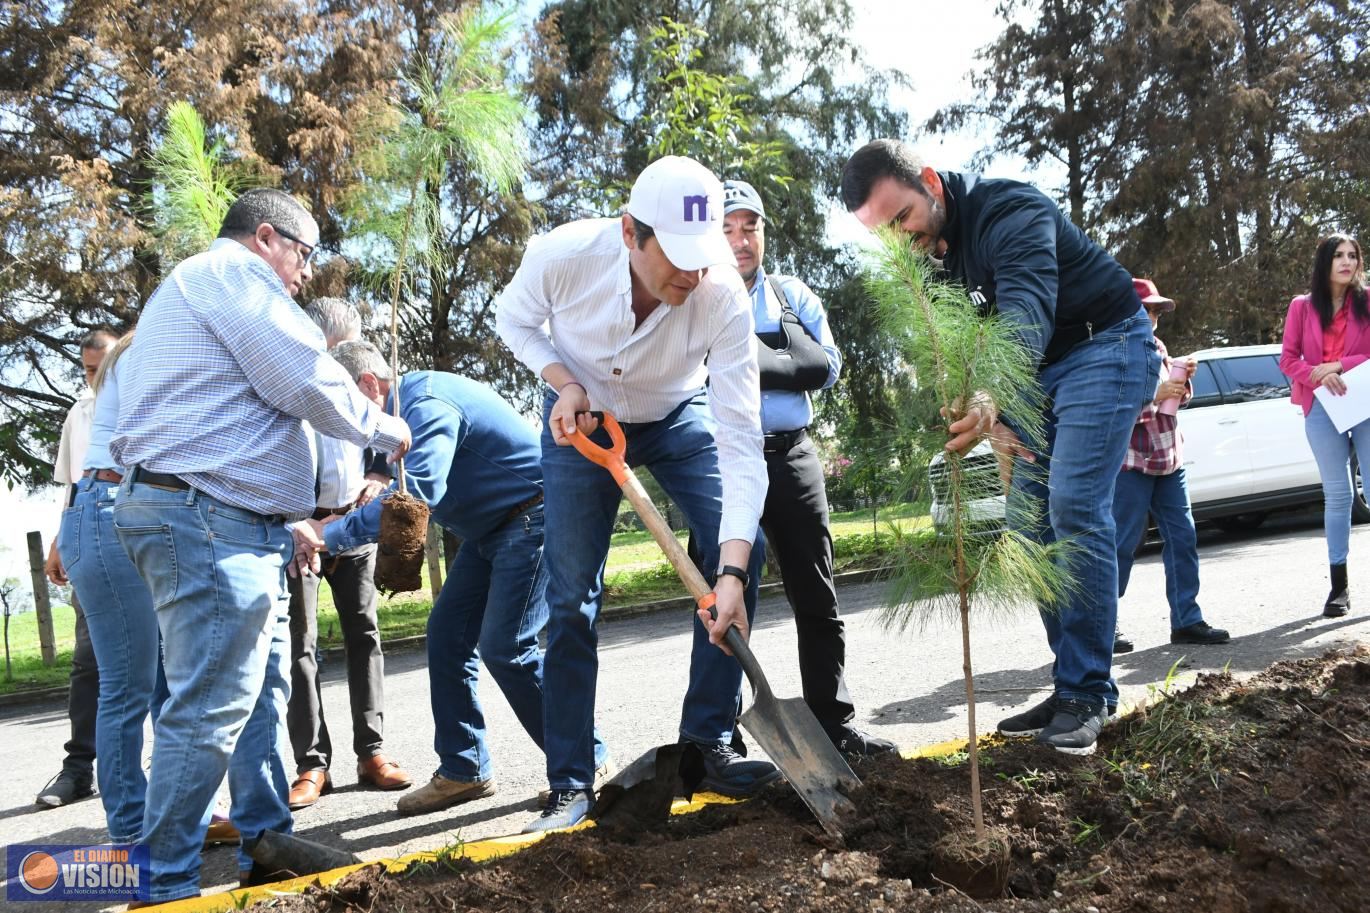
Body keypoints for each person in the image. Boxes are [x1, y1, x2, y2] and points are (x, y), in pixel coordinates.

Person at [109, 188, 411, 903]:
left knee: (249, 690)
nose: (304, 273)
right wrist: (384, 428)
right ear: (267, 237)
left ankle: (264, 839)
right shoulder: (236, 277)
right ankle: (169, 886)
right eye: (302, 255)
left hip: (212, 515)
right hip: (209, 518)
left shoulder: (191, 287)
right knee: (210, 707)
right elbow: (303, 376)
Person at [841, 139, 1159, 756]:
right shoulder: (930, 255)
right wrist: (964, 400)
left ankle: (1089, 694)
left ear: (930, 181)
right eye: (885, 238)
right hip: (1036, 378)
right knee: (1029, 523)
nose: (902, 244)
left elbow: (1026, 313)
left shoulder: (1009, 211)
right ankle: (1068, 683)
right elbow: (952, 344)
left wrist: (991, 396)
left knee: (1073, 507)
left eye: (903, 219)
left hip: (1106, 345)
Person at [496, 155, 776, 832]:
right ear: (630, 233)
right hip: (581, 419)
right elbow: (515, 320)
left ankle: (705, 744)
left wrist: (732, 572)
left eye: (701, 255)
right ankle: (568, 784)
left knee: (742, 542)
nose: (693, 272)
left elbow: (741, 440)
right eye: (676, 256)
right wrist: (563, 380)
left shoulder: (722, 297)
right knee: (569, 598)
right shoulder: (564, 255)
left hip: (676, 415)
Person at [293, 341, 609, 817]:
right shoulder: (404, 414)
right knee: (446, 636)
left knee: (507, 646)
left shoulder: (427, 404)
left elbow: (418, 496)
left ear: (368, 387)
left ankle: (585, 760)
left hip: (532, 519)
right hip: (491, 530)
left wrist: (330, 534)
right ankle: (465, 768)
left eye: (344, 405)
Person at [719, 179, 895, 758]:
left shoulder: (792, 297)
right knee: (723, 598)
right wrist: (781, 362)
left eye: (751, 227)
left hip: (791, 454)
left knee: (818, 597)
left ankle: (834, 724)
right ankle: (721, 734)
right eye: (727, 229)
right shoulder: (696, 304)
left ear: (764, 233)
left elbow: (828, 366)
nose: (740, 240)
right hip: (722, 463)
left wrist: (753, 362)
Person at [285, 299, 410, 810]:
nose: (362, 367)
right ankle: (313, 765)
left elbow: (384, 432)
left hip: (352, 524)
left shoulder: (359, 384)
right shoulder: (289, 378)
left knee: (366, 635)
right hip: (302, 530)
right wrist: (302, 522)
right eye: (347, 352)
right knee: (300, 646)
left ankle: (372, 752)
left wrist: (378, 478)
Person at [1112, 279, 1230, 653]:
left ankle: (1187, 620)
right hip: (1131, 463)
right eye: (1145, 309)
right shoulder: (1112, 352)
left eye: (1156, 311)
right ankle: (1103, 625)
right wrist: (1154, 396)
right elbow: (1112, 413)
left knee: (1183, 537)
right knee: (1121, 545)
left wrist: (1183, 384)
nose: (1152, 317)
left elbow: (1172, 403)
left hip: (1169, 459)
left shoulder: (1159, 348)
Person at [37, 328, 115, 808]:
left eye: (103, 366)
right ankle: (78, 768)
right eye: (88, 369)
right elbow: (72, 488)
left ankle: (159, 769)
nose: (96, 377)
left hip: (142, 545)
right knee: (88, 661)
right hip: (90, 547)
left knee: (166, 664)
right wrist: (59, 543)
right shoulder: (78, 415)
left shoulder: (145, 402)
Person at [1278, 233, 1370, 618]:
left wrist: (1340, 366)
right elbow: (1287, 358)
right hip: (1320, 407)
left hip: (1364, 401)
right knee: (1338, 495)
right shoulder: (1302, 306)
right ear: (1325, 263)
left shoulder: (1367, 301)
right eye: (1338, 256)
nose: (1347, 262)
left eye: (1352, 255)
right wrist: (1317, 375)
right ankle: (1339, 588)